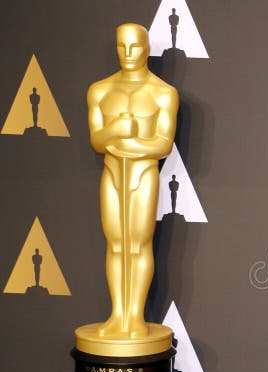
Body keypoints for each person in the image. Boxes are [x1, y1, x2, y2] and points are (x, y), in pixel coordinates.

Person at [87, 23, 178, 338]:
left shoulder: (163, 93)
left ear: (147, 48)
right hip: (112, 172)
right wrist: (116, 132)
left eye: (135, 46)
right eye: (121, 46)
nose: (128, 53)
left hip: (142, 174)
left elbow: (163, 144)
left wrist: (131, 141)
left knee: (138, 244)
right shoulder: (100, 90)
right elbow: (97, 140)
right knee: (115, 244)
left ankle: (135, 316)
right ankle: (117, 315)